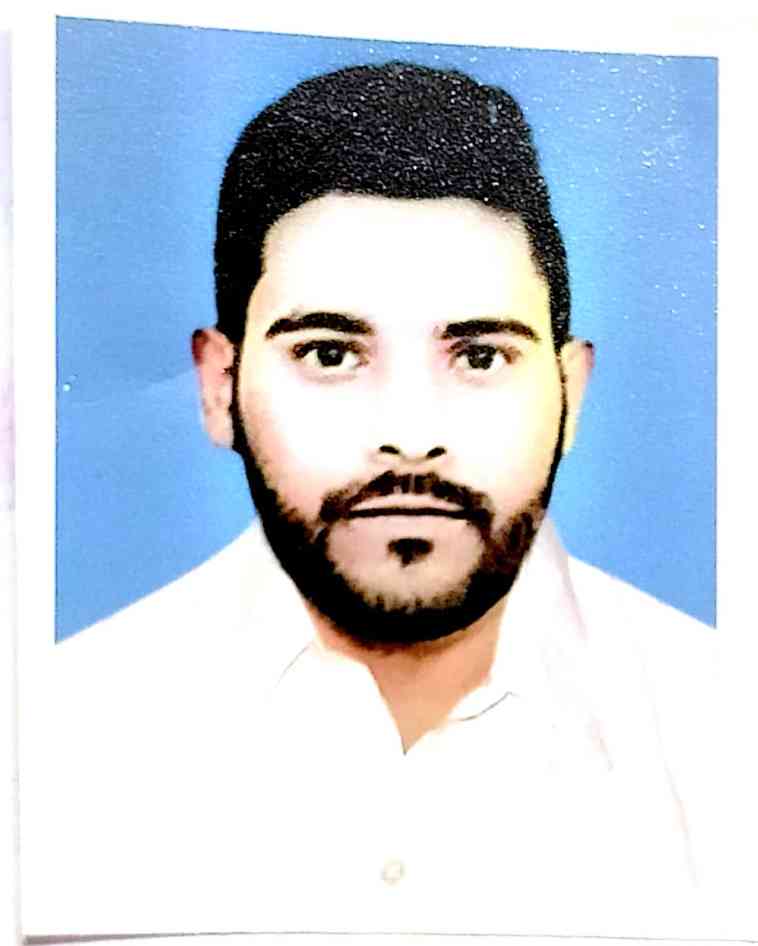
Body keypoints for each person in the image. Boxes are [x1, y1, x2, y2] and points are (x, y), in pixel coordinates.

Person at [22, 63, 748, 939]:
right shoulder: (44, 739)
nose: (409, 436)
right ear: (219, 389)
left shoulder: (725, 732)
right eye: (330, 354)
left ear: (571, 395)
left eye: (480, 356)